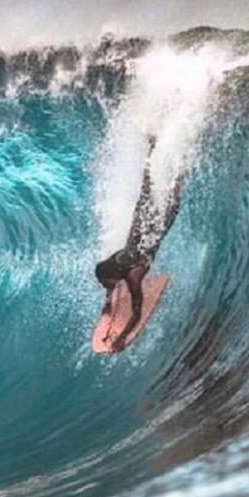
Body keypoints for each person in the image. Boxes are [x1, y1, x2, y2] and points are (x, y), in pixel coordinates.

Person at [94, 138, 185, 349]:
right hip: (140, 223)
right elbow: (109, 284)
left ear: (118, 274)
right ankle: (155, 145)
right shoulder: (116, 260)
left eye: (109, 282)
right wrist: (108, 308)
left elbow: (137, 311)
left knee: (172, 202)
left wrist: (122, 338)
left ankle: (179, 162)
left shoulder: (134, 275)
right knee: (147, 189)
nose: (108, 285)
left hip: (155, 229)